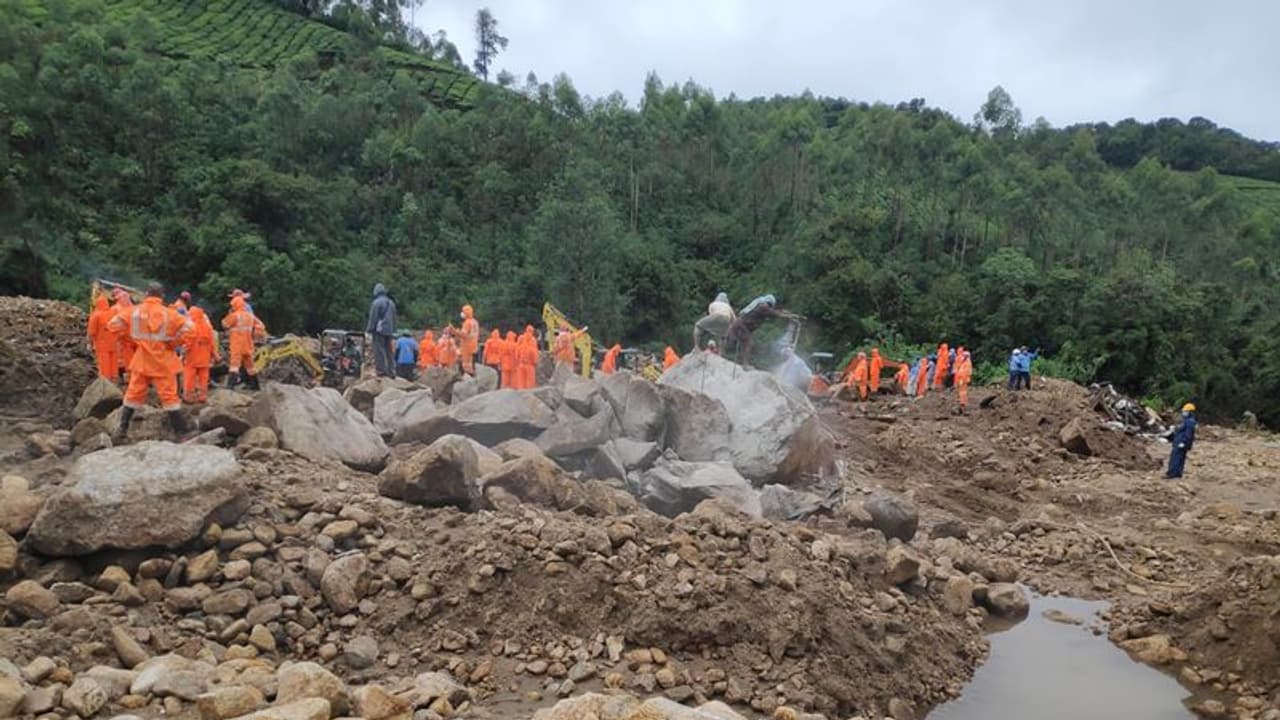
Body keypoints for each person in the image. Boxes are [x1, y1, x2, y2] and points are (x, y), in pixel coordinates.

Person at [106, 283, 194, 440]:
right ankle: (182, 433)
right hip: (163, 361)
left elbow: (112, 325)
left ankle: (122, 429)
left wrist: (131, 339)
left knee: (133, 394)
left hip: (142, 360)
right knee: (169, 397)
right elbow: (190, 330)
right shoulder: (170, 314)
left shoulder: (134, 311)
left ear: (146, 294)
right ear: (162, 296)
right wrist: (174, 343)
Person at [725, 294, 791, 367]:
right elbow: (774, 313)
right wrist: (786, 315)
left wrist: (783, 312)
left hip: (740, 325)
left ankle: (739, 361)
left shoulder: (760, 306)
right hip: (742, 326)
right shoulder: (763, 307)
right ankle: (744, 364)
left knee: (743, 343)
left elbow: (773, 311)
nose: (768, 306)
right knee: (748, 343)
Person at [222, 294, 266, 389]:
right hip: (248, 344)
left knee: (234, 365)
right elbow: (261, 325)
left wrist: (230, 315)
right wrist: (256, 335)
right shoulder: (250, 316)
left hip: (237, 345)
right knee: (250, 366)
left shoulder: (234, 315)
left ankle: (230, 386)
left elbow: (224, 324)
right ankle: (255, 386)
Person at [182, 306, 218, 403]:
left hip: (192, 357)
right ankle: (202, 396)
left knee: (189, 377)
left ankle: (189, 396)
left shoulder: (191, 326)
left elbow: (188, 343)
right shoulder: (208, 327)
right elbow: (211, 344)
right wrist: (215, 356)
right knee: (204, 377)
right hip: (205, 358)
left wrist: (182, 354)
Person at [366, 283, 396, 377]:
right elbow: (394, 318)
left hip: (379, 330)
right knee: (389, 351)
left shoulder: (376, 303)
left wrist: (369, 329)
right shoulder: (391, 303)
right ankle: (391, 371)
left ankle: (381, 370)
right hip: (389, 330)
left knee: (378, 349)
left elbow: (373, 317)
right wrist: (393, 329)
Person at [87, 294, 119, 382]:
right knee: (113, 366)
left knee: (104, 366)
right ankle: (114, 382)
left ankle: (105, 384)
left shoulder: (96, 315)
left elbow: (91, 332)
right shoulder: (114, 313)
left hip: (102, 345)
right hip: (114, 345)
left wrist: (89, 343)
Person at [1165, 404, 1198, 479]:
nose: (1183, 412)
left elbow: (1188, 434)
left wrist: (1183, 442)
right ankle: (1177, 473)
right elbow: (1181, 430)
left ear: (1190, 412)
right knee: (1179, 458)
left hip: (1181, 443)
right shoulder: (1186, 421)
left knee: (1176, 458)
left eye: (1185, 411)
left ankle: (1173, 474)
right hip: (1178, 442)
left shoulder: (1190, 422)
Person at [111, 289, 136, 380]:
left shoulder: (115, 308)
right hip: (134, 338)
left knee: (121, 356)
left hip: (121, 337)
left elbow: (111, 324)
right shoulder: (134, 308)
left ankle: (123, 375)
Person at [458, 305, 480, 375]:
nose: (462, 314)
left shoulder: (467, 323)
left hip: (466, 347)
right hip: (474, 346)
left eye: (463, 312)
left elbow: (464, 335)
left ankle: (467, 379)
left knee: (465, 366)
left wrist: (455, 332)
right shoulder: (475, 322)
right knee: (471, 365)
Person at [953, 348, 972, 413]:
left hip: (963, 380)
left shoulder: (967, 363)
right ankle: (961, 404)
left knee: (962, 393)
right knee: (961, 393)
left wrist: (962, 380)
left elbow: (965, 373)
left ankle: (962, 405)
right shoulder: (964, 362)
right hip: (961, 379)